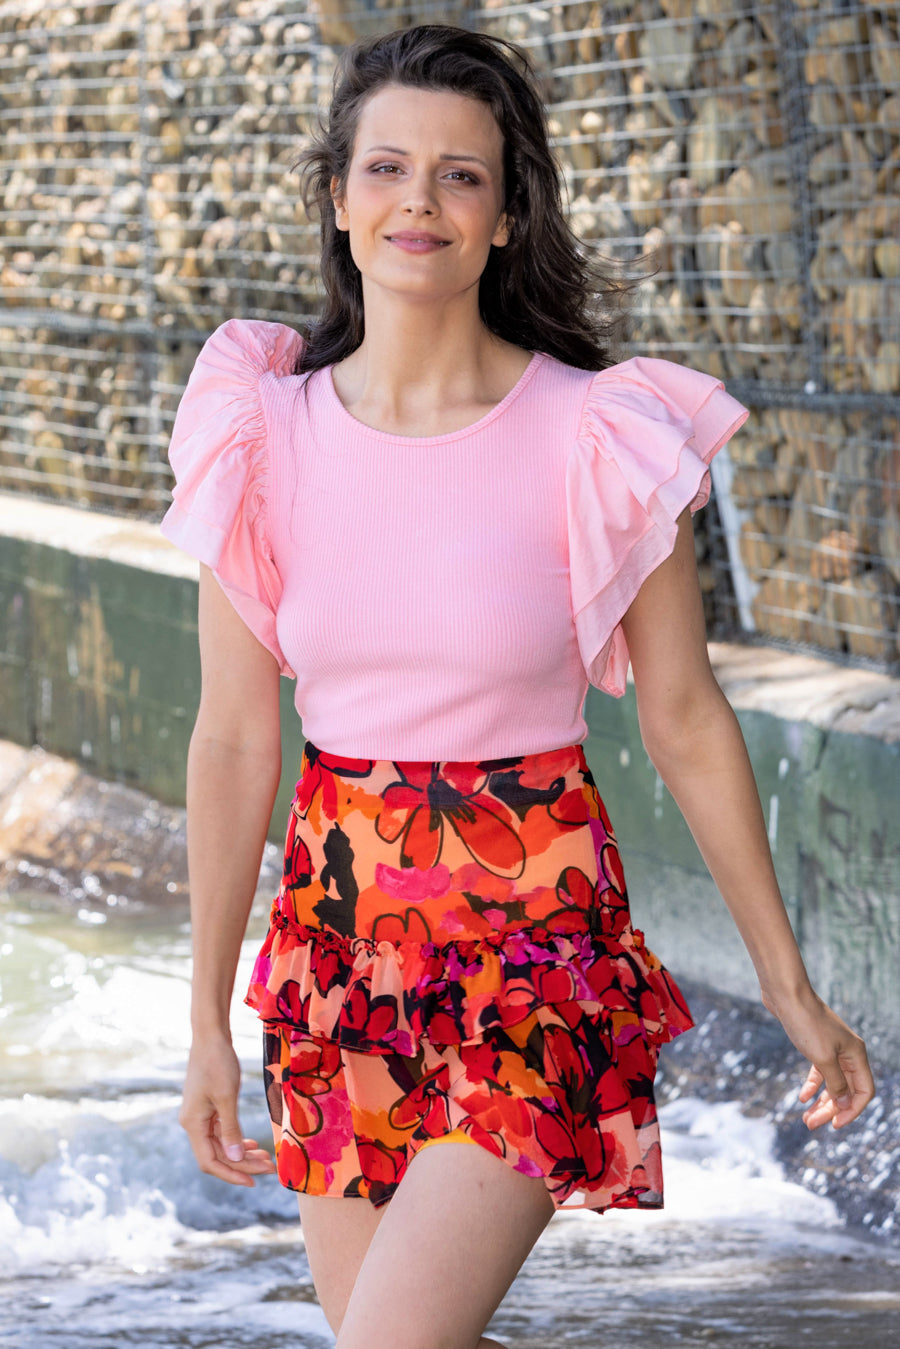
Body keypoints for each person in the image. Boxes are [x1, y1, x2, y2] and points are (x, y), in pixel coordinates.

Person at [159, 23, 875, 1349]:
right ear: (337, 196)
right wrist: (205, 1022)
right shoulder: (259, 432)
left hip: (532, 938)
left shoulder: (599, 432)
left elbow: (687, 721)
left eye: (461, 177)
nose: (417, 203)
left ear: (505, 216)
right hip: (336, 948)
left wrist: (787, 982)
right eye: (385, 168)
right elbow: (233, 740)